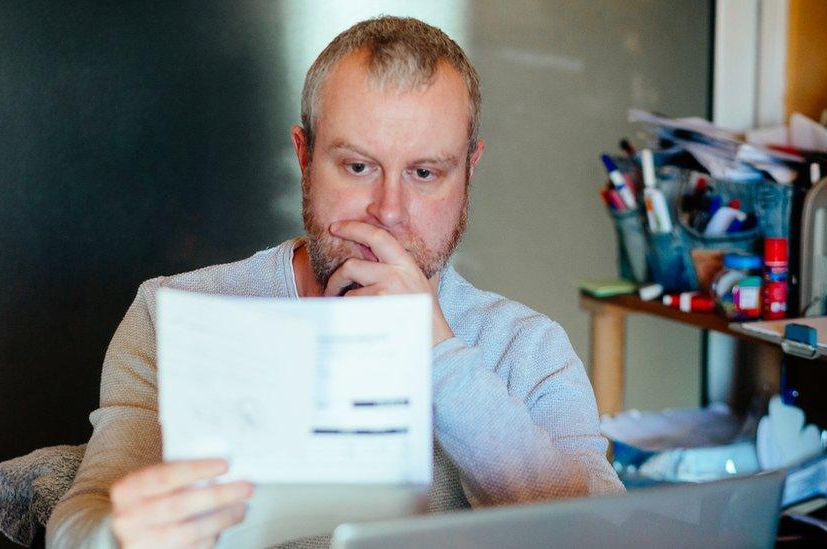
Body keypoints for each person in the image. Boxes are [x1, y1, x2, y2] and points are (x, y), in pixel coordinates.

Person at [47, 16, 624, 549]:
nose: (389, 212)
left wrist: (441, 357)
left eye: (424, 174)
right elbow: (81, 519)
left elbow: (601, 537)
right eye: (357, 167)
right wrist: (115, 537)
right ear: (304, 155)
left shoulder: (527, 350)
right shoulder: (175, 313)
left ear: (469, 171)